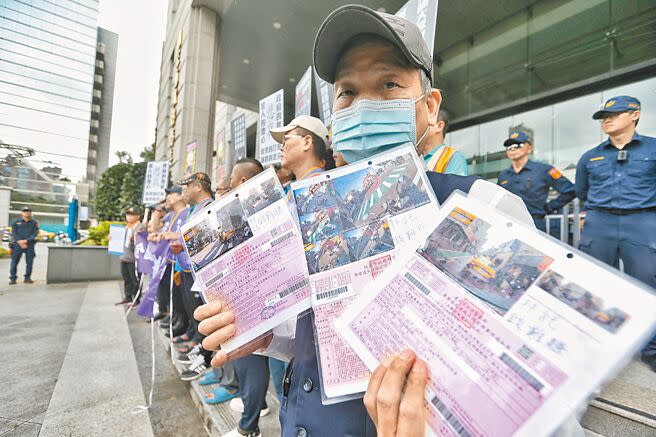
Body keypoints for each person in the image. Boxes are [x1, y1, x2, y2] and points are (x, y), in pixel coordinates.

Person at [195, 6, 482, 436]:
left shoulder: (477, 207)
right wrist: (266, 336)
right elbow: (315, 334)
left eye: (389, 84)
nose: (365, 107)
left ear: (429, 106)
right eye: (347, 93)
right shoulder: (316, 209)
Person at [575, 95, 656, 371]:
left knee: (648, 285)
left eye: (615, 114)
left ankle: (651, 350)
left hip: (642, 222)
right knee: (595, 284)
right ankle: (596, 345)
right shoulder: (590, 156)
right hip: (600, 221)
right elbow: (581, 192)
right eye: (603, 117)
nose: (606, 120)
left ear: (635, 115)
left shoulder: (653, 149)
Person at [175, 172, 216, 381]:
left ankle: (206, 357)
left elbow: (202, 244)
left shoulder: (208, 207)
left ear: (199, 186)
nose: (185, 191)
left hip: (200, 273)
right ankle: (202, 351)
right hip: (189, 271)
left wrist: (179, 242)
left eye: (187, 186)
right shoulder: (195, 210)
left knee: (205, 319)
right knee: (196, 316)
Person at [497, 130, 576, 233]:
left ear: (529, 148)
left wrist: (549, 207)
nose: (513, 149)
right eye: (509, 147)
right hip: (507, 224)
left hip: (534, 224)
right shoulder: (504, 175)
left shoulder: (544, 170)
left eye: (518, 145)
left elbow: (570, 190)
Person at [157, 187, 190, 334]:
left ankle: (184, 325)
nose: (168, 197)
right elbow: (156, 225)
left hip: (183, 262)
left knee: (184, 299)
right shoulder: (172, 215)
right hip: (172, 260)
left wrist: (173, 235)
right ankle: (176, 319)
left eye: (171, 194)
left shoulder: (187, 213)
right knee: (175, 295)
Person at [270, 114, 335, 180]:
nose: (281, 148)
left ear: (307, 143)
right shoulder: (321, 185)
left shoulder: (319, 186)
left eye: (285, 141)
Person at [418, 109, 468, 175]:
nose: (419, 126)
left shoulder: (454, 158)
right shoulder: (416, 157)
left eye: (424, 121)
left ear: (439, 126)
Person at [116, 207, 145, 305]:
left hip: (134, 259)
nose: (129, 216)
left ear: (138, 216)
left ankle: (136, 299)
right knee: (127, 279)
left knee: (135, 280)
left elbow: (142, 243)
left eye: (132, 214)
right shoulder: (126, 227)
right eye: (128, 214)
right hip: (124, 257)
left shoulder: (140, 227)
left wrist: (135, 239)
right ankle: (128, 297)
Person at [9, 206, 39, 285]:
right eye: (24, 211)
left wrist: (26, 241)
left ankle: (27, 278)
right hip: (17, 245)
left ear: (30, 213)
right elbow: (14, 233)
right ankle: (13, 278)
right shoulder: (15, 222)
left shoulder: (34, 223)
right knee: (14, 262)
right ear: (21, 213)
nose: (26, 212)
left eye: (28, 211)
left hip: (29, 245)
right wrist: (20, 241)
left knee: (29, 263)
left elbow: (35, 234)